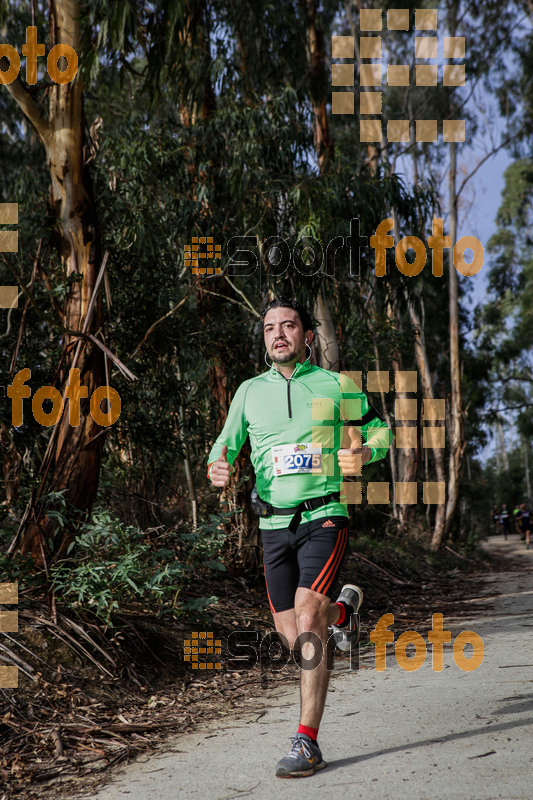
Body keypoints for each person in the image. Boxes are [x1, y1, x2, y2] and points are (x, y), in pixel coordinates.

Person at [207, 297, 391, 778]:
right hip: (272, 525)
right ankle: (345, 612)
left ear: (307, 336)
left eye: (289, 325)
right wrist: (218, 465)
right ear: (265, 338)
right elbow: (224, 443)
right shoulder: (248, 391)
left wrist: (365, 454)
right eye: (270, 328)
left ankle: (306, 742)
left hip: (323, 515)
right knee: (297, 641)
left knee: (309, 615)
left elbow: (379, 432)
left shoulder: (334, 384)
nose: (279, 334)